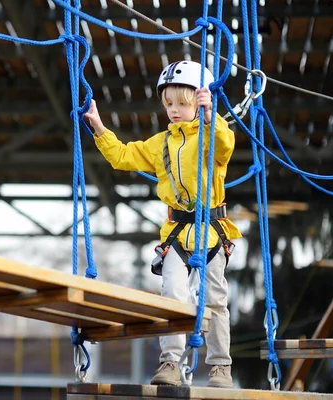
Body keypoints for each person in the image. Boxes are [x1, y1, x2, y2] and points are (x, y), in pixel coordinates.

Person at [84, 60, 242, 388]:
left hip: (212, 232)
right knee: (173, 295)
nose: (173, 110)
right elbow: (124, 156)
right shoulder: (161, 144)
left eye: (182, 104)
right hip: (176, 234)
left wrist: (211, 116)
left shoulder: (212, 138)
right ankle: (170, 361)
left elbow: (225, 146)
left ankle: (220, 368)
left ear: (198, 104)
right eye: (168, 103)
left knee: (215, 300)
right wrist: (100, 128)